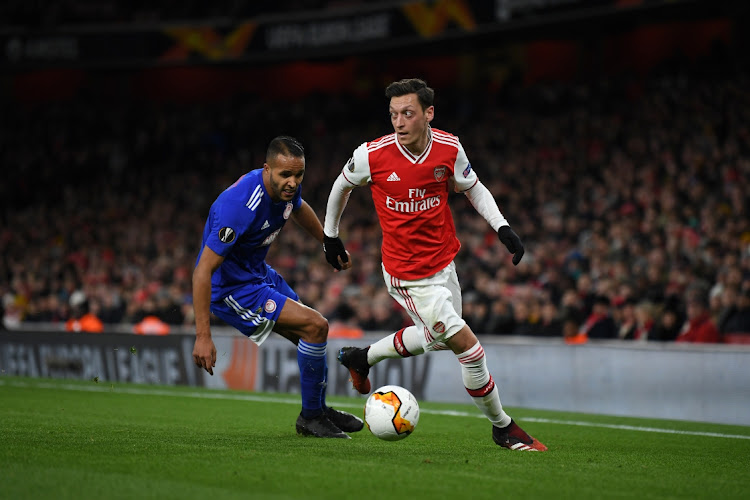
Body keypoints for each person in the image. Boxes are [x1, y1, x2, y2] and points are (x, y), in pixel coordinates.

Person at [322, 79, 547, 451]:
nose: (399, 122)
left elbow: (472, 186)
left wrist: (502, 226)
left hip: (444, 263)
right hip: (408, 275)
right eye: (393, 114)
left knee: (439, 341)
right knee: (468, 349)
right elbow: (340, 185)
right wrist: (330, 235)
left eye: (407, 113)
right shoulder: (371, 155)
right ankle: (502, 427)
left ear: (428, 113)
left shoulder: (448, 148)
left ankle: (363, 357)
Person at [192, 136, 363, 439]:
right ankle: (311, 417)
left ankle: (318, 410)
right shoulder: (238, 207)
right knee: (315, 326)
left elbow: (298, 208)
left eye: (299, 175)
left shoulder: (285, 191)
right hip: (233, 288)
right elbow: (203, 270)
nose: (293, 182)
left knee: (311, 335)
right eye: (286, 175)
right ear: (267, 169)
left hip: (257, 273)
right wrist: (203, 336)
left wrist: (327, 241)